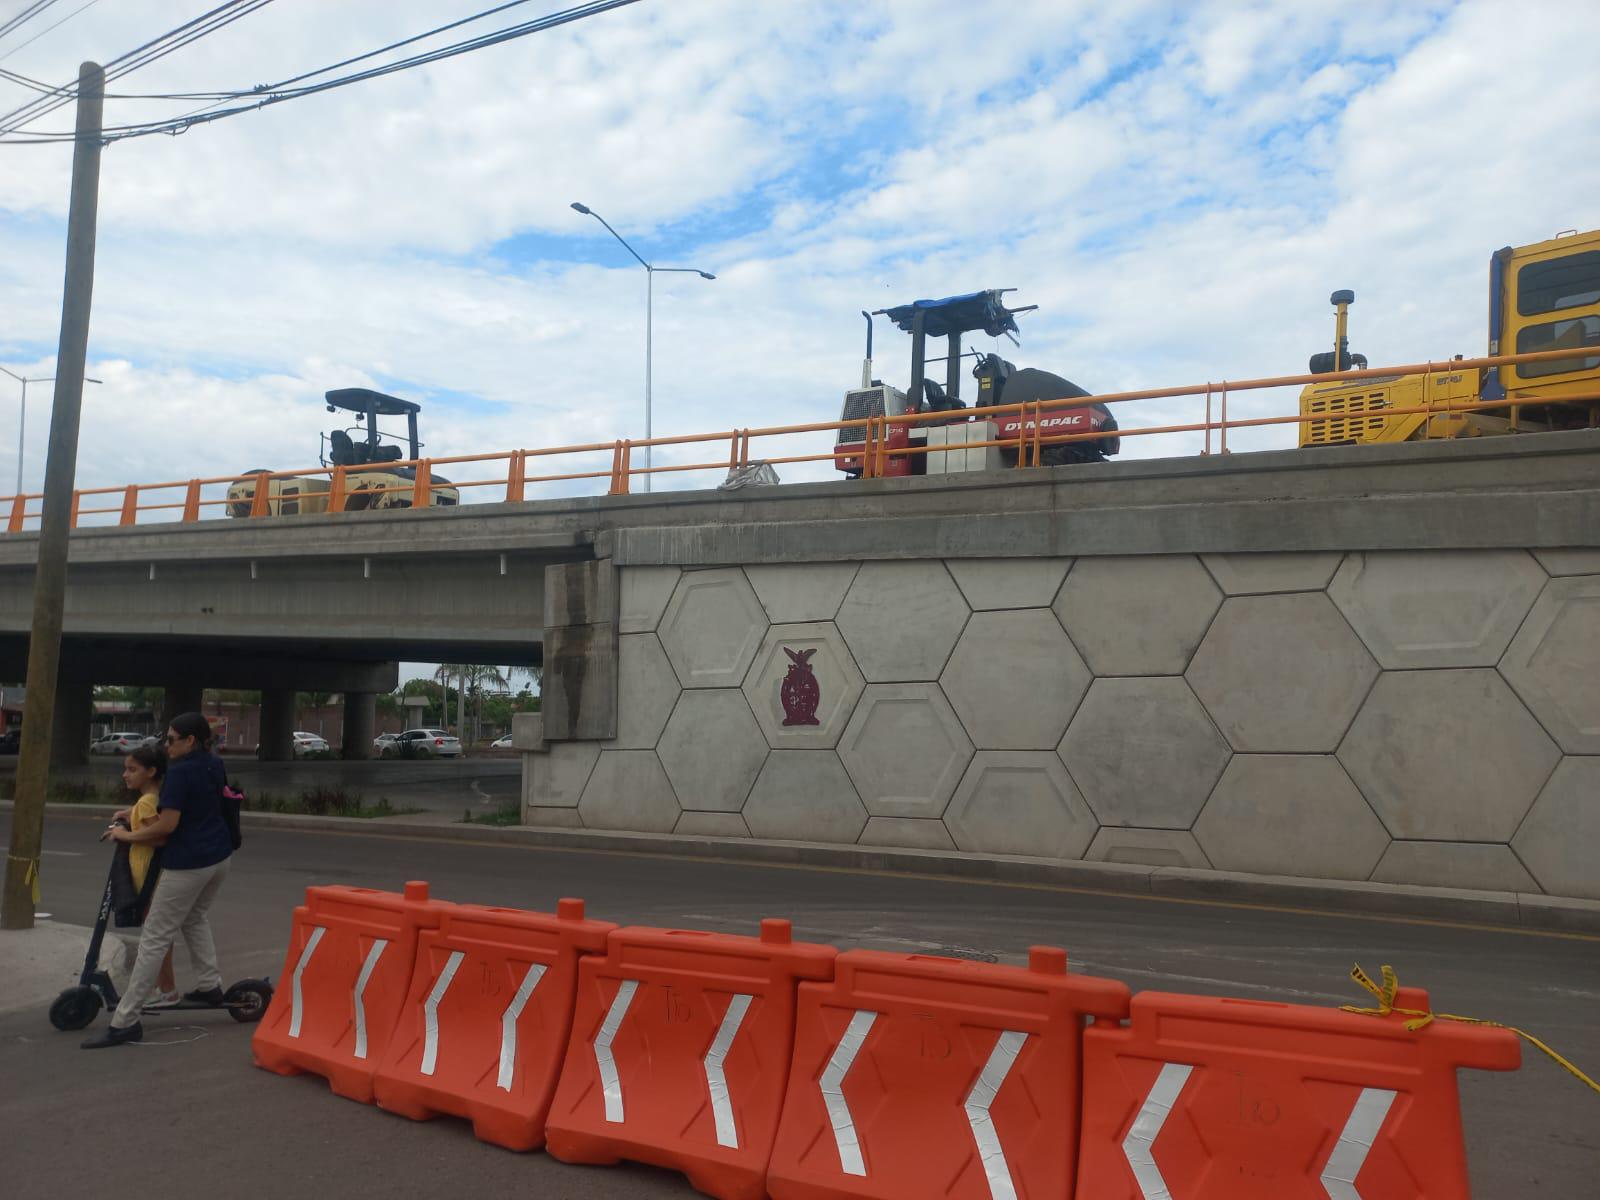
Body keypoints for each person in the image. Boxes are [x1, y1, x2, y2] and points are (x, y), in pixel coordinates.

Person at [82, 712, 234, 1049]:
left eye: (170, 739)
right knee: (194, 917)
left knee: (154, 937)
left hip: (189, 863)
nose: (165, 746)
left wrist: (125, 835)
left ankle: (125, 1020)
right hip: (219, 857)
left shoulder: (180, 772)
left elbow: (165, 828)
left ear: (189, 740)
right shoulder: (212, 762)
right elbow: (192, 808)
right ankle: (210, 985)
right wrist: (132, 819)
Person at [101, 745, 179, 1005]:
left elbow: (156, 838)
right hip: (155, 875)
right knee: (159, 935)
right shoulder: (153, 798)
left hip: (148, 877)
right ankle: (164, 988)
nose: (126, 775)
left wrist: (123, 834)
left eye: (132, 769)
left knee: (155, 937)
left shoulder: (146, 802)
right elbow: (149, 820)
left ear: (151, 771)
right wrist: (128, 815)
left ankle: (166, 990)